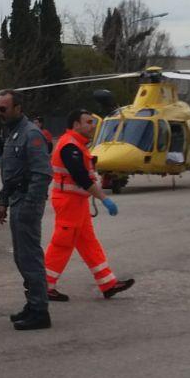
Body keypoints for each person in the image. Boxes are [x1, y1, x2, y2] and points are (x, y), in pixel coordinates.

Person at [46, 109, 135, 301]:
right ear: (76, 125)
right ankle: (44, 286)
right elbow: (81, 178)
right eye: (88, 122)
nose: (92, 126)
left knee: (88, 243)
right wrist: (104, 198)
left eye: (93, 122)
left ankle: (108, 284)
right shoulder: (70, 146)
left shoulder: (77, 144)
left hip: (77, 203)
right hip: (69, 203)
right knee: (62, 243)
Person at [0, 90, 54, 332]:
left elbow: (43, 174)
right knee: (22, 257)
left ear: (17, 108)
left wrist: (30, 204)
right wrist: (3, 202)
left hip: (27, 202)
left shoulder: (31, 134)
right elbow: (11, 174)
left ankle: (40, 311)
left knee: (30, 257)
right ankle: (33, 303)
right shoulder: (13, 133)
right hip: (17, 200)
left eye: (3, 108)